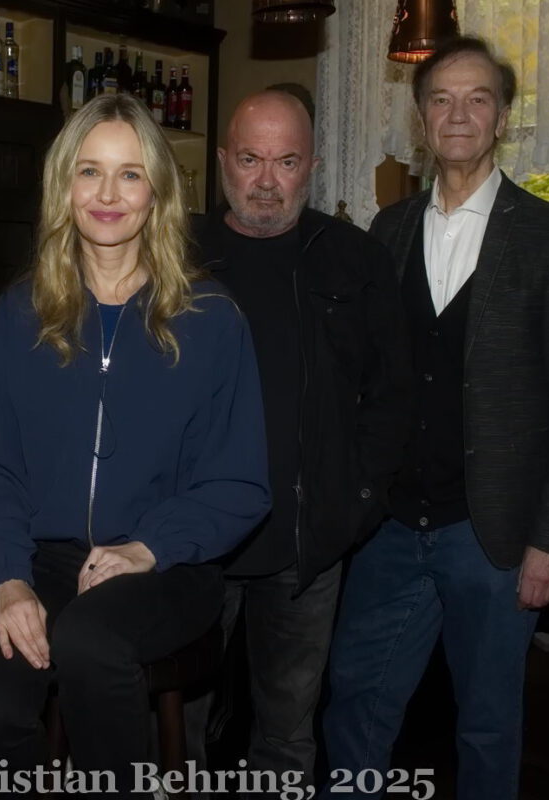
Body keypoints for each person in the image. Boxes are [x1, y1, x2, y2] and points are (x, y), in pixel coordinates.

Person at [0, 93, 270, 795]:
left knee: (90, 642)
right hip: (45, 558)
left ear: (156, 191)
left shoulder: (211, 320)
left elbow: (240, 483)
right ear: (64, 185)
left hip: (168, 562)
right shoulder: (21, 311)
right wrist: (5, 578)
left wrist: (147, 546)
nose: (108, 193)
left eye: (129, 174)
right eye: (89, 171)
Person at [324, 36, 549, 800]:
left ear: (503, 118)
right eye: (441, 99)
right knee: (354, 700)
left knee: (485, 723)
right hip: (389, 527)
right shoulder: (386, 230)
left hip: (494, 536)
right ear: (420, 121)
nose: (458, 114)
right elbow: (367, 379)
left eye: (477, 99)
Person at [188, 90, 411, 789]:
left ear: (312, 166)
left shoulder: (352, 257)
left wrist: (355, 506)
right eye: (250, 159)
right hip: (186, 539)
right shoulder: (174, 249)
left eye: (285, 162)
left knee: (286, 734)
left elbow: (393, 396)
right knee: (176, 723)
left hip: (304, 549)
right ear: (223, 162)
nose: (265, 180)